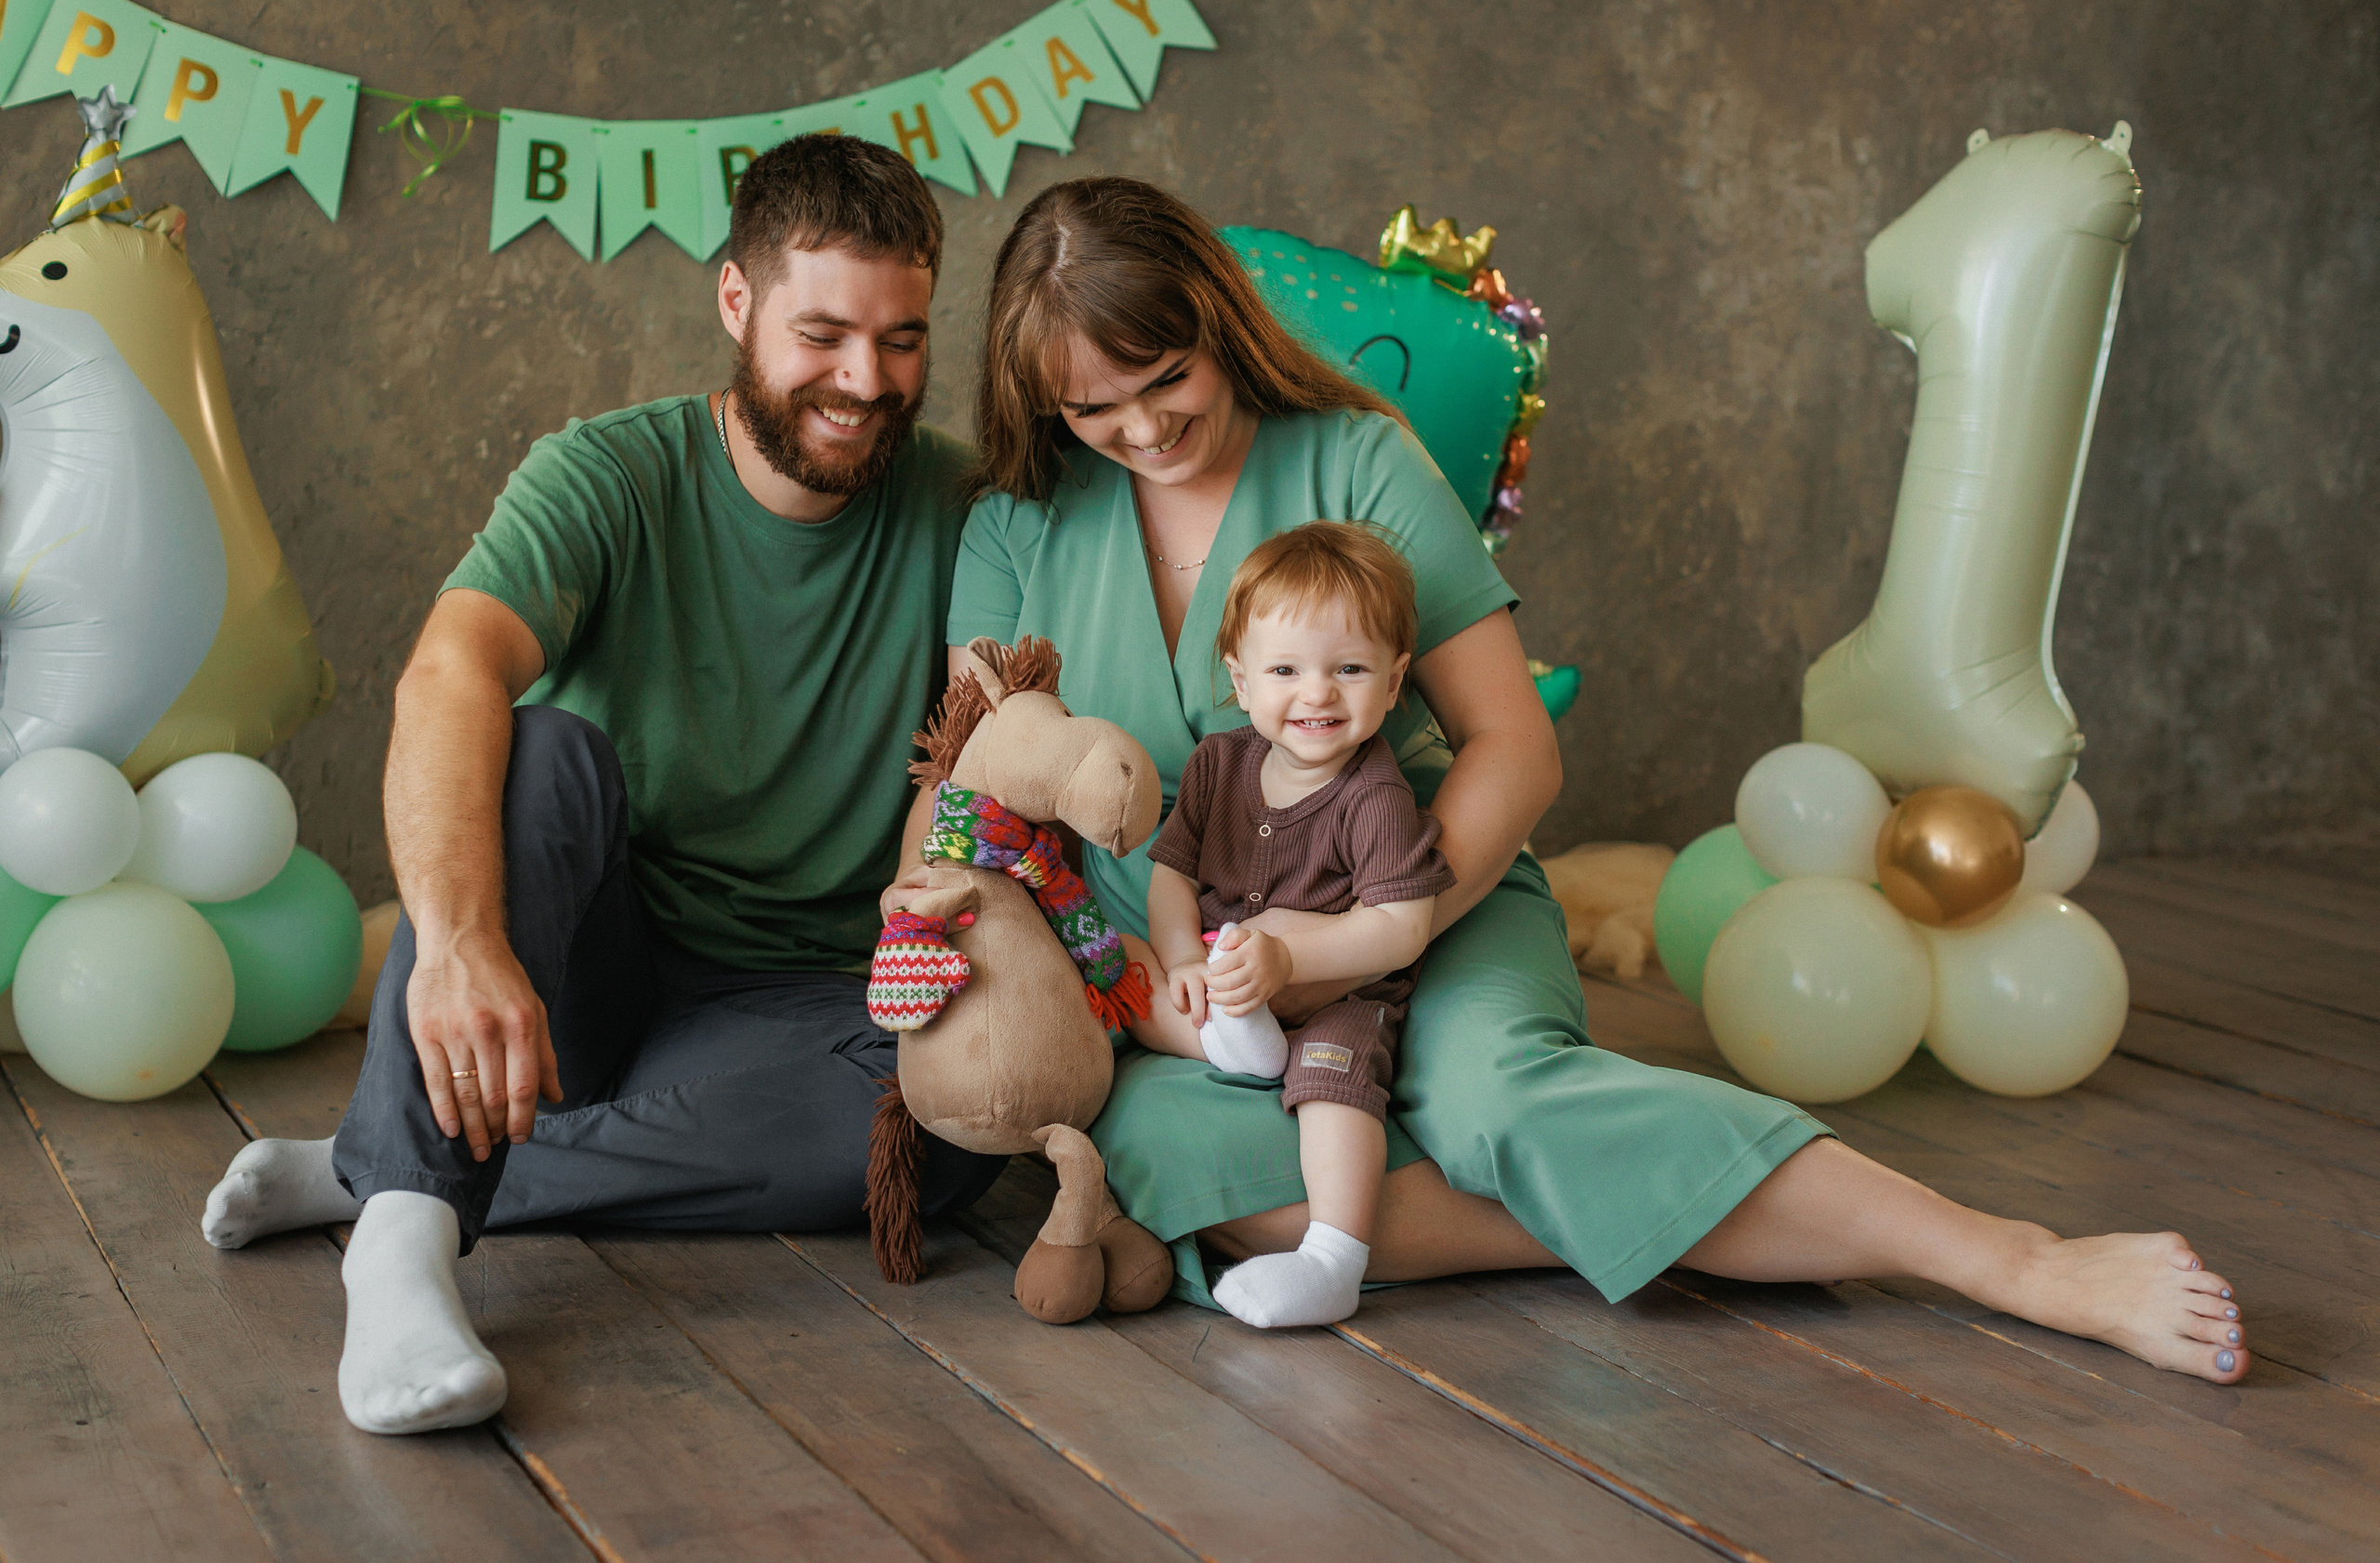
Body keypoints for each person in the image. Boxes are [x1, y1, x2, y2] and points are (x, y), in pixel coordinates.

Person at [909, 174, 2249, 1384]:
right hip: (1183, 977)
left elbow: (1512, 741)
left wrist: (1382, 933)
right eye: (1095, 408)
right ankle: (1647, 1210)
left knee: (1501, 1101)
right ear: (1044, 403)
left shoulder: (1354, 458)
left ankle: (2002, 1255)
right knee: (1188, 1172)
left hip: (1427, 894)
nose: (1142, 430)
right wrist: (1153, 988)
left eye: (1167, 382)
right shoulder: (1019, 526)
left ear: (1217, 319)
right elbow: (989, 784)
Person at [197, 135, 1008, 1437]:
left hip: (803, 1004)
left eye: (903, 338)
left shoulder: (966, 507)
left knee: (950, 1127)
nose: (865, 378)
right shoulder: (609, 472)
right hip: (579, 975)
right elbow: (447, 669)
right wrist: (459, 943)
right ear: (736, 303)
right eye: (824, 332)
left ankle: (382, 1165)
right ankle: (402, 1245)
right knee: (539, 744)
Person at [1131, 521, 1453, 1329]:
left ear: (1393, 681)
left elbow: (1399, 927)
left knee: (1334, 1083)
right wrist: (1180, 958)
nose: (1317, 694)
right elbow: (1171, 871)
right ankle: (1225, 1038)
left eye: (1348, 669)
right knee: (1124, 973)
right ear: (1241, 681)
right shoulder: (1220, 764)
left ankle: (1333, 1259)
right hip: (1225, 971)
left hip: (1336, 992)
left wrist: (1290, 958)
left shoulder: (1373, 795)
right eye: (1285, 670)